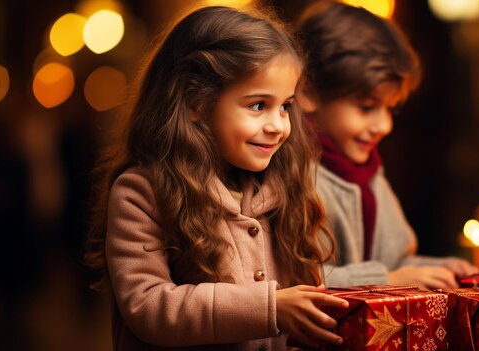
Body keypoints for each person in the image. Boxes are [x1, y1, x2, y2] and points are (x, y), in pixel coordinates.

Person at [84, 6, 349, 350]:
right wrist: (270, 308)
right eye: (257, 105)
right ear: (196, 102)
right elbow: (148, 305)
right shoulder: (142, 192)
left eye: (285, 105)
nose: (279, 125)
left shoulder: (283, 186)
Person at [295, 1, 479, 290]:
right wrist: (386, 281)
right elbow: (291, 282)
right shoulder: (294, 176)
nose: (384, 126)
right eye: (366, 107)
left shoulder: (368, 174)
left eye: (390, 109)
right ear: (308, 92)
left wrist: (437, 268)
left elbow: (391, 263)